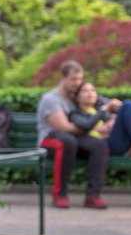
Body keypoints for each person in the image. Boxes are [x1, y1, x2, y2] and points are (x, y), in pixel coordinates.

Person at [37, 60, 111, 210]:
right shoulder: (51, 99)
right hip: (49, 140)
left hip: (74, 138)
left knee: (99, 145)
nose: (78, 83)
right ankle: (60, 195)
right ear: (62, 78)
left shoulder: (75, 98)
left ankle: (93, 196)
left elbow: (100, 105)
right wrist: (93, 127)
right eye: (73, 79)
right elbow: (63, 127)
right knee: (67, 141)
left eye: (80, 79)